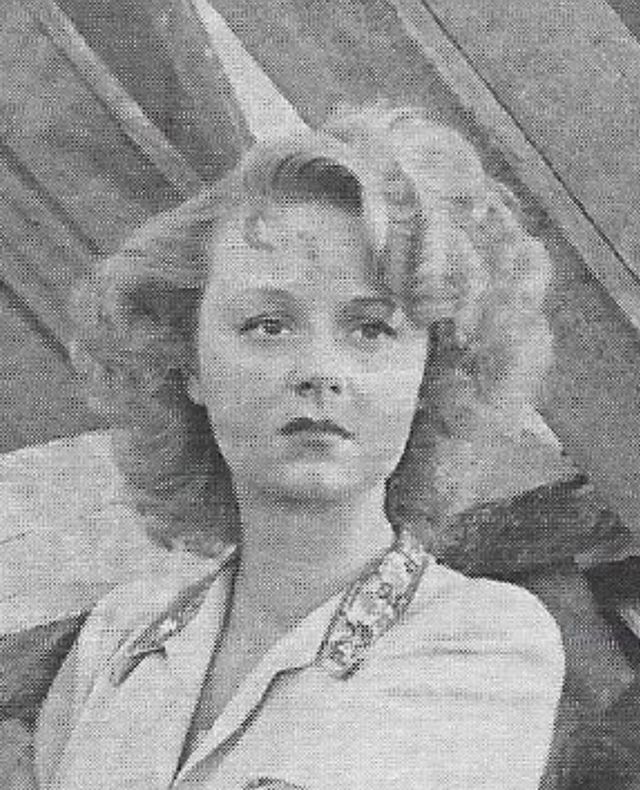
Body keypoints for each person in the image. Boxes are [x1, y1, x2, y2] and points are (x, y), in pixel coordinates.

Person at [33, 106, 564, 789]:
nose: (319, 370)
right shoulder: (119, 639)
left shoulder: (481, 641)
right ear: (187, 364)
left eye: (370, 330)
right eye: (268, 324)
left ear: (430, 375)